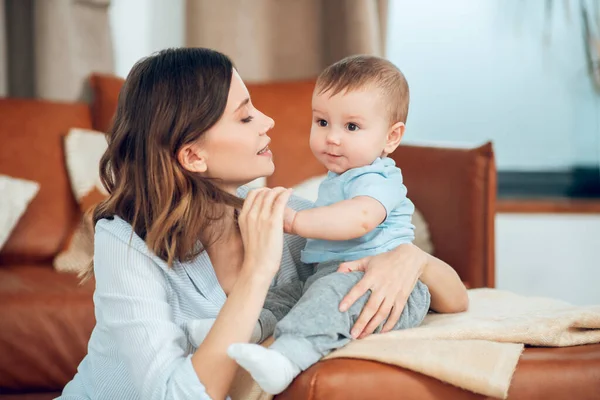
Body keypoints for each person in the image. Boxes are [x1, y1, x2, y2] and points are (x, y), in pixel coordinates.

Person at [59, 48, 468, 400]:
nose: (268, 121)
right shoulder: (124, 240)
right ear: (194, 157)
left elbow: (456, 300)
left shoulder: (289, 215)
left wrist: (409, 258)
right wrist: (258, 270)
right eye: (245, 117)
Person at [226, 55, 433, 394]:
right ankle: (233, 332)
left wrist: (295, 220)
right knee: (283, 296)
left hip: (385, 288)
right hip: (335, 273)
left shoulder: (377, 177)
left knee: (327, 299)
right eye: (322, 122)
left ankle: (288, 359)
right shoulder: (340, 177)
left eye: (351, 127)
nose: (332, 138)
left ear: (391, 138)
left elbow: (359, 218)